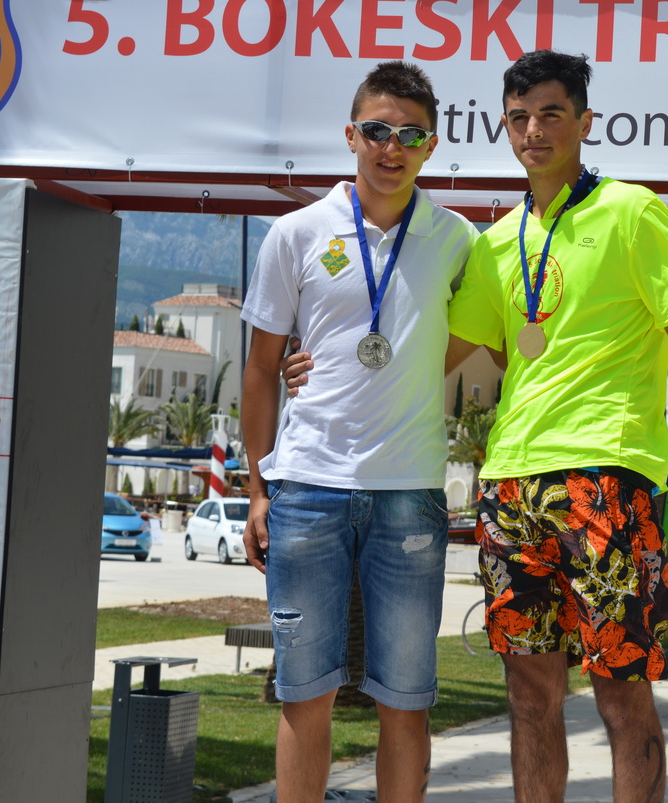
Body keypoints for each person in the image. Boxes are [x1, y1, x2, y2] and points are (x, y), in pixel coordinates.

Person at [445, 50, 668, 803]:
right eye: (519, 117)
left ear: (585, 122)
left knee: (619, 692)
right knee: (528, 695)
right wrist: (326, 363)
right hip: (511, 484)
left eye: (551, 114)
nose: (533, 131)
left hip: (605, 475)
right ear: (504, 126)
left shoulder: (631, 211)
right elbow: (449, 353)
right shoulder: (497, 241)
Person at [240, 61, 477, 803]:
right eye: (377, 130)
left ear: (432, 145)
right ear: (351, 135)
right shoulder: (296, 233)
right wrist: (257, 489)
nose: (391, 147)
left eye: (411, 135)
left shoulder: (458, 238)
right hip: (307, 489)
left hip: (410, 495)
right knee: (303, 695)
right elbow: (260, 369)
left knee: (405, 701)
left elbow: (470, 336)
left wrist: (403, 362)